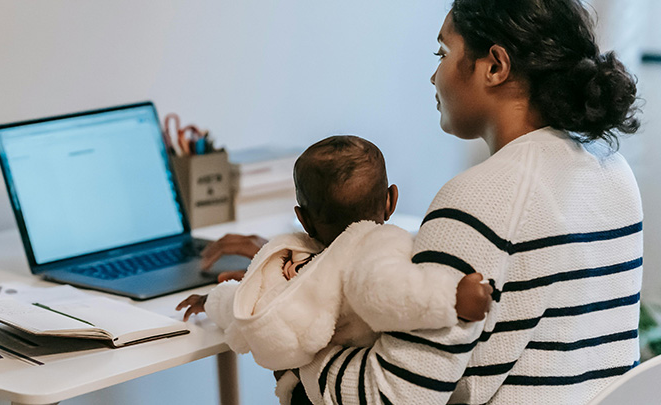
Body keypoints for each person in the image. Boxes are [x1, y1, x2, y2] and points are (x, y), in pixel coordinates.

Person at [197, 1, 644, 404]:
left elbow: (388, 396)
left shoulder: (480, 197)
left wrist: (285, 323)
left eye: (442, 53)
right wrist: (315, 269)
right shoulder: (611, 171)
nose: (434, 76)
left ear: (494, 66)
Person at [178, 135, 493, 404]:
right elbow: (391, 294)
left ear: (303, 219)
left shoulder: (295, 265)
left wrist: (211, 300)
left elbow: (247, 306)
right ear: (391, 201)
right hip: (343, 385)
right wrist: (453, 297)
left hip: (305, 389)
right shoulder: (376, 246)